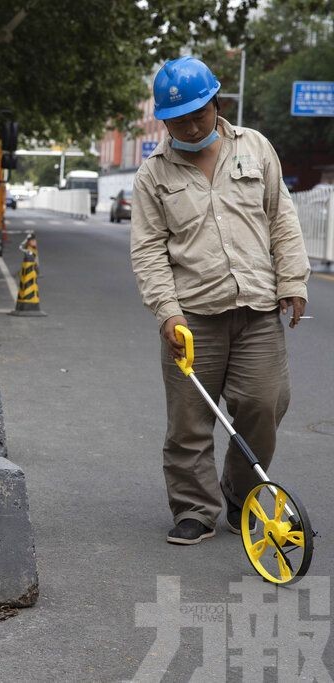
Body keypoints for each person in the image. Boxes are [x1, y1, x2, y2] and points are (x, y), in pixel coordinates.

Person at [130, 56, 310, 545]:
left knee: (264, 404)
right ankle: (193, 508)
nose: (190, 126)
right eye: (178, 119)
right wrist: (167, 313)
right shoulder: (153, 174)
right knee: (189, 422)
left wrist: (293, 281)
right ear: (164, 121)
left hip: (256, 309)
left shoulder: (255, 148)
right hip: (193, 318)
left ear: (216, 103)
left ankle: (240, 495)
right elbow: (148, 249)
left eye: (198, 113)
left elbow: (282, 218)